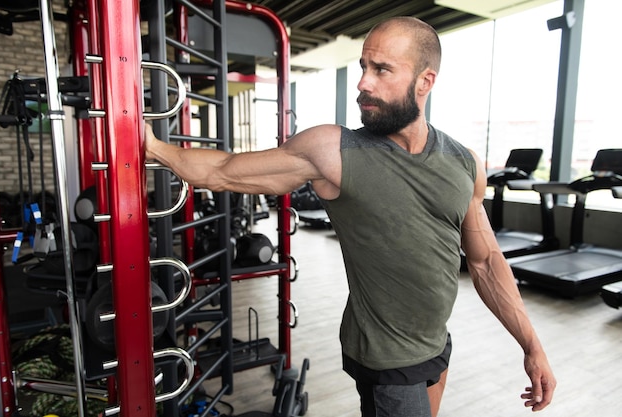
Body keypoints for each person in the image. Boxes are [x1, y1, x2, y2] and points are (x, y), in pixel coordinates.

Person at [145, 16, 556, 417]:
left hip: (436, 345)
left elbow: (485, 263)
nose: (363, 82)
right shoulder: (332, 151)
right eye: (363, 67)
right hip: (387, 361)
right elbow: (223, 171)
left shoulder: (465, 162)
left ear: (425, 82)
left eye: (381, 70)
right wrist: (154, 148)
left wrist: (531, 345)